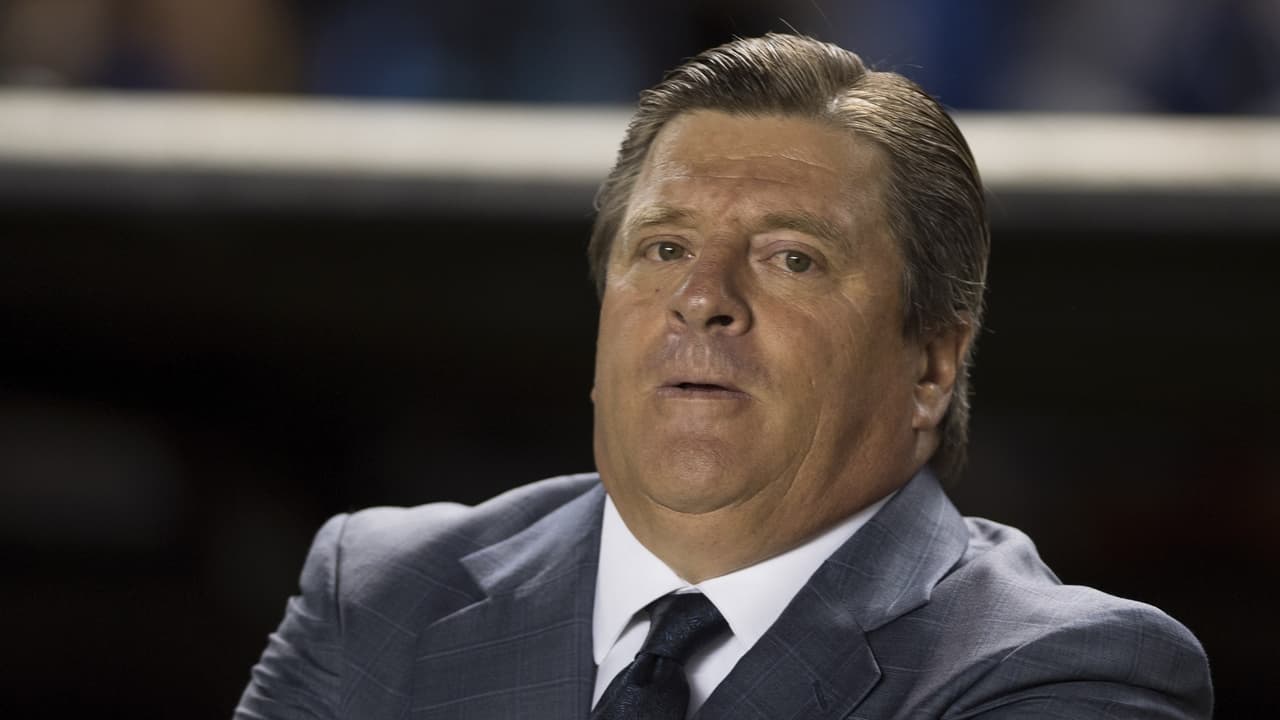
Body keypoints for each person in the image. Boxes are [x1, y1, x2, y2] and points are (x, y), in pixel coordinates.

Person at [236, 34, 1213, 719]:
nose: (701, 298)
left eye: (791, 258)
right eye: (662, 249)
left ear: (930, 364)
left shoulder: (1065, 672)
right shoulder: (379, 594)